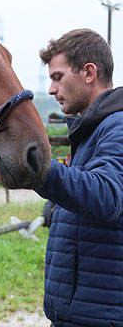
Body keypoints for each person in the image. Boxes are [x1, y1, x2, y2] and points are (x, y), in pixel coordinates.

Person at [35, 28, 123, 327]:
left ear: (88, 73)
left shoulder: (118, 126)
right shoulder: (92, 131)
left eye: (57, 77)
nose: (51, 89)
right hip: (82, 314)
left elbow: (107, 197)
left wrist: (38, 168)